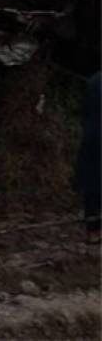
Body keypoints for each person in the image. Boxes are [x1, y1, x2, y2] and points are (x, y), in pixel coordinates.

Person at [75, 71, 101, 245]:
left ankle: (93, 231)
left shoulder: (94, 80)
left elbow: (84, 110)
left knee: (92, 182)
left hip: (92, 135)